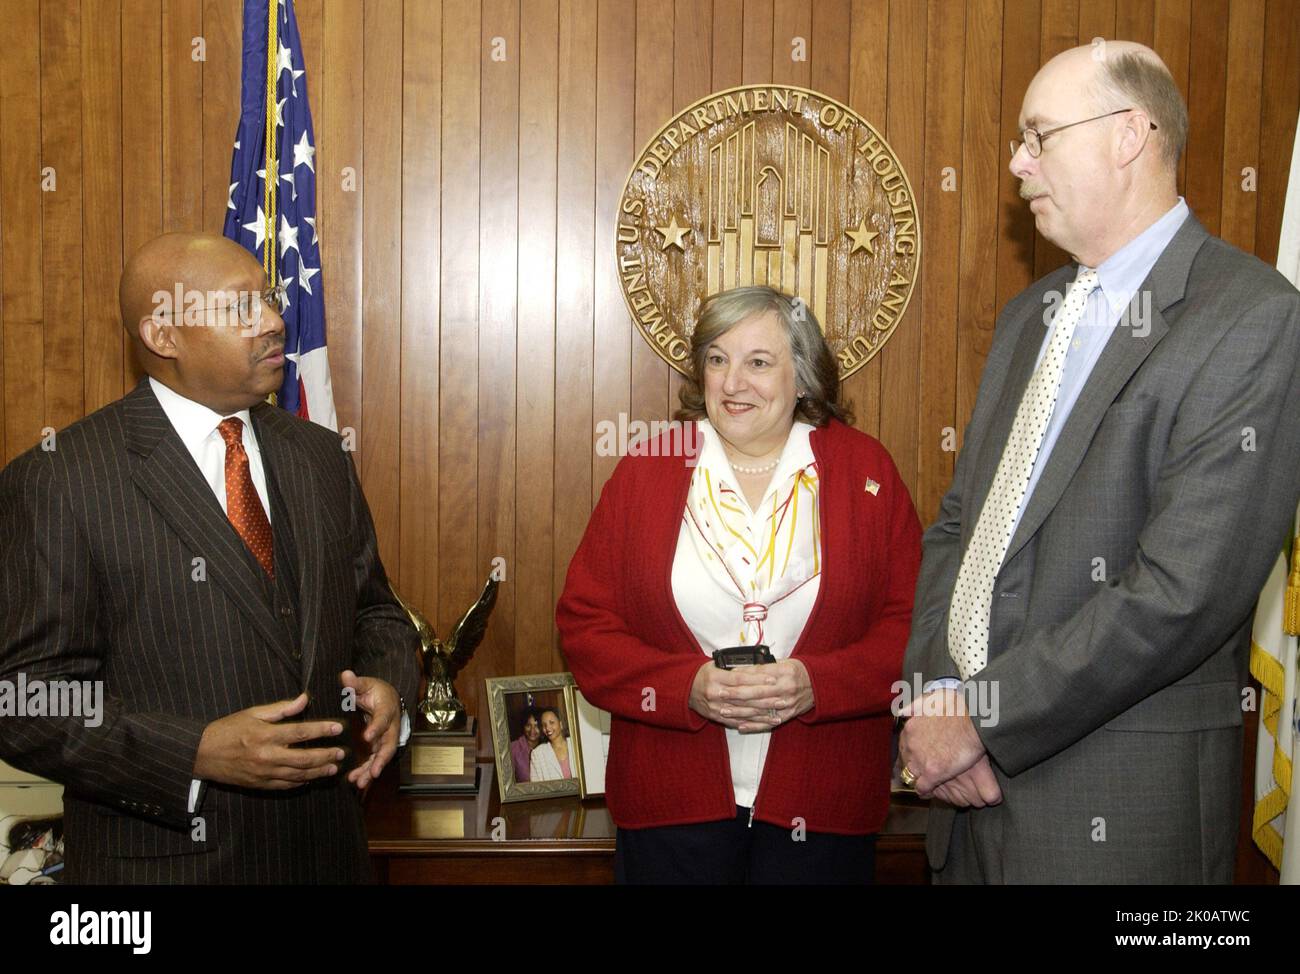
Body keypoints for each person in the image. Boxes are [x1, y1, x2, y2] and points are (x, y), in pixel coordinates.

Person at [899, 42, 1300, 883]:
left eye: (1039, 135)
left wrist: (982, 719)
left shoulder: (1253, 318)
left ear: (1128, 135)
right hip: (964, 811)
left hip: (1114, 812)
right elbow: (962, 526)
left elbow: (1180, 591)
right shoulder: (1027, 317)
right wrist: (936, 706)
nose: (1016, 162)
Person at [0, 232, 420, 884]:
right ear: (164, 335)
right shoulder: (62, 479)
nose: (275, 321)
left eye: (270, 300)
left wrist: (391, 684)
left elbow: (377, 613)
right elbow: (23, 701)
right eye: (239, 307)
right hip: (163, 870)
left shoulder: (318, 457)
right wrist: (192, 752)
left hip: (328, 856)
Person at [557, 285, 921, 884]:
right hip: (671, 809)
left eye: (758, 362)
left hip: (822, 807)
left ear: (803, 378)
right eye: (718, 359)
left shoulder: (867, 474)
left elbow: (910, 625)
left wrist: (817, 684)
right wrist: (685, 689)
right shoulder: (646, 470)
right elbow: (585, 626)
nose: (732, 383)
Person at [528, 708, 574, 782]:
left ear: (561, 724)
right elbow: (537, 788)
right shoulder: (537, 754)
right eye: (544, 725)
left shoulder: (575, 744)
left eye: (552, 722)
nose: (548, 728)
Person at [510, 708, 542, 782]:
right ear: (523, 726)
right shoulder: (513, 748)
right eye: (528, 725)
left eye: (536, 726)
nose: (532, 730)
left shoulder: (547, 748)